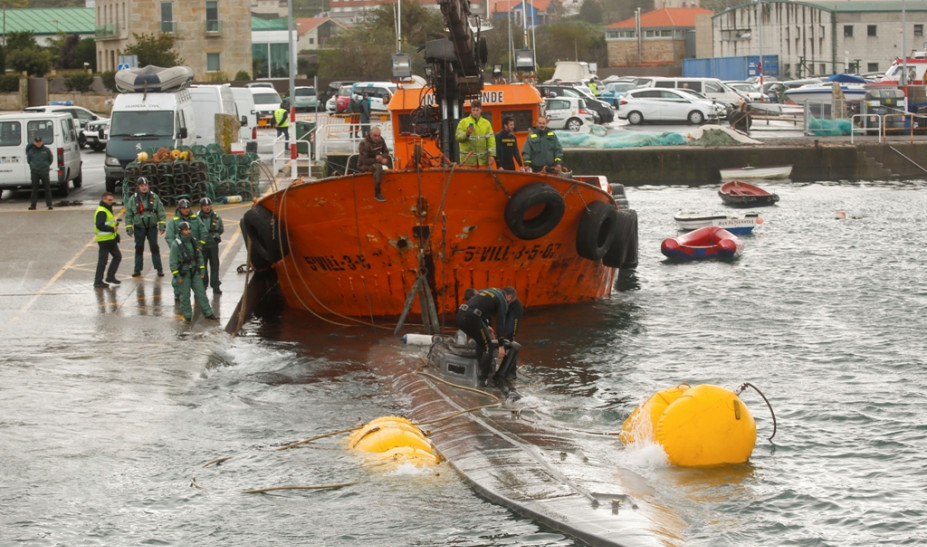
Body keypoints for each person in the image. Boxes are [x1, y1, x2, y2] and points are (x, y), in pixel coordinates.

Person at [456, 287, 519, 387]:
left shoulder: (489, 291)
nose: (509, 304)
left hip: (461, 315)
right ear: (509, 297)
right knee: (488, 346)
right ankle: (483, 380)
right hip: (472, 318)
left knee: (480, 342)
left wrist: (487, 327)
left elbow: (480, 308)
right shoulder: (502, 301)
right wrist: (501, 345)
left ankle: (478, 371)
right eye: (510, 302)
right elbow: (500, 324)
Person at [169, 221, 217, 323]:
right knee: (185, 296)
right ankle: (187, 316)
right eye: (186, 230)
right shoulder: (175, 245)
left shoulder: (193, 241)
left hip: (195, 272)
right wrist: (177, 276)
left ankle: (208, 313)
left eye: (189, 229)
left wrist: (202, 270)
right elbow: (173, 263)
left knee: (201, 293)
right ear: (181, 231)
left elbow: (199, 257)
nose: (188, 231)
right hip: (184, 274)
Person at [124, 177, 166, 277]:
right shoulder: (133, 199)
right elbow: (128, 214)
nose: (144, 187)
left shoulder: (154, 197)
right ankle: (137, 269)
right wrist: (129, 228)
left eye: (146, 185)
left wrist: (162, 225)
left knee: (154, 247)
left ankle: (159, 269)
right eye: (142, 185)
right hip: (139, 228)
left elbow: (161, 211)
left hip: (151, 227)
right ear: (138, 187)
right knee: (139, 248)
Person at [165, 198, 201, 301]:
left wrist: (200, 245)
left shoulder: (195, 219)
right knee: (179, 272)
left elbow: (202, 230)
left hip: (193, 251)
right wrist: (176, 248)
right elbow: (169, 237)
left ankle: (196, 292)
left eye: (187, 208)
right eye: (183, 208)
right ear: (179, 209)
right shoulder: (173, 222)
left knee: (195, 272)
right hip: (180, 253)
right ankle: (177, 293)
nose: (186, 210)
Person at [92, 191, 122, 289]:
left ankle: (110, 277)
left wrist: (115, 234)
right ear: (103, 200)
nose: (111, 202)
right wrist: (112, 229)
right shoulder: (102, 211)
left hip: (110, 239)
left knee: (117, 256)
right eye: (109, 200)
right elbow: (100, 225)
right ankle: (98, 281)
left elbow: (110, 223)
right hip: (104, 240)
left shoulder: (106, 209)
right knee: (103, 261)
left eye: (112, 200)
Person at [195, 197, 224, 294]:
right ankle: (203, 285)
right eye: (205, 206)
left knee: (215, 265)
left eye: (208, 205)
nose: (207, 207)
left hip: (213, 245)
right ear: (201, 207)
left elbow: (220, 229)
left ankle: (215, 285)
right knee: (202, 266)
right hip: (201, 246)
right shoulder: (197, 218)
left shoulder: (216, 217)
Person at [455, 100, 496, 168]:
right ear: (471, 110)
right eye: (473, 110)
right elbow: (458, 137)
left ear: (481, 110)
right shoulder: (463, 122)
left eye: (477, 110)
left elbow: (491, 140)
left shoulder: (486, 123)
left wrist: (492, 155)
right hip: (467, 162)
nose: (475, 112)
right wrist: (467, 134)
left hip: (483, 162)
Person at [358, 126, 390, 202]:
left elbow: (386, 152)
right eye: (375, 136)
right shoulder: (364, 143)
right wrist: (377, 160)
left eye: (378, 136)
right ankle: (377, 193)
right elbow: (365, 160)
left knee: (385, 165)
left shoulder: (381, 141)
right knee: (378, 167)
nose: (377, 138)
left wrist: (383, 158)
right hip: (363, 165)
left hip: (377, 161)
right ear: (370, 135)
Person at [26, 136, 53, 211]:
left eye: (40, 142)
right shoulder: (31, 151)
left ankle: (49, 204)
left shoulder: (46, 150)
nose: (38, 144)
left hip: (44, 172)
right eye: (37, 142)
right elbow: (29, 160)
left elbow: (50, 160)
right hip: (35, 172)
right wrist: (33, 167)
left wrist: (45, 166)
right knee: (35, 189)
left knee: (47, 188)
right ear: (34, 143)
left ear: (42, 142)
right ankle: (33, 205)